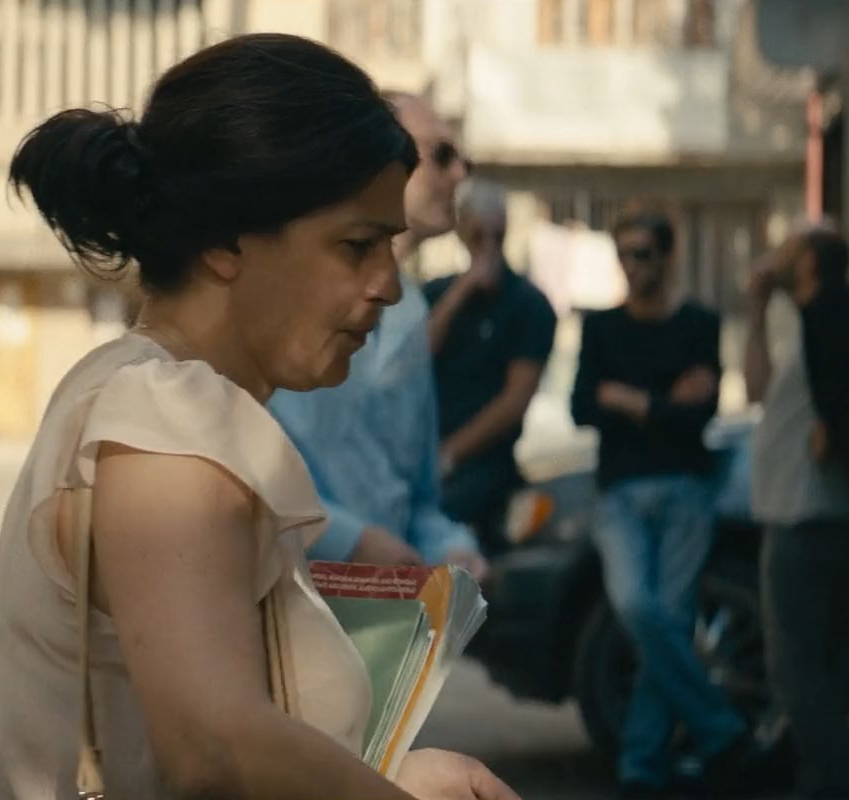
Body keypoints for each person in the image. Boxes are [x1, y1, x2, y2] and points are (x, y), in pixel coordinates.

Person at [0, 34, 517, 800]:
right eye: (358, 246)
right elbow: (214, 744)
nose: (388, 286)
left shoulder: (148, 394)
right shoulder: (165, 419)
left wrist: (398, 776)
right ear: (226, 242)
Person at [571, 212, 759, 799]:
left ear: (667, 256)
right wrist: (661, 402)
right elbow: (581, 406)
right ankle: (721, 729)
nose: (632, 266)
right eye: (624, 254)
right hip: (620, 494)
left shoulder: (699, 325)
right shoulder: (602, 327)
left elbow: (698, 415)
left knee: (670, 623)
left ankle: (641, 770)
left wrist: (627, 398)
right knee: (636, 606)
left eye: (643, 254)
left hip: (685, 490)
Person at [266, 91, 489, 580]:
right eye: (441, 155)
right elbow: (238, 478)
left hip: (384, 607)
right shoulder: (279, 296)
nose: (460, 175)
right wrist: (352, 539)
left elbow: (416, 497)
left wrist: (452, 548)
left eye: (464, 160)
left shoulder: (410, 311)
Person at [742, 222, 849, 800]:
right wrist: (756, 310)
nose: (778, 255)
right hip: (793, 511)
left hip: (809, 514)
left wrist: (836, 429)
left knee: (797, 665)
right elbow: (756, 389)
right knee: (810, 662)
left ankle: (828, 785)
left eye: (791, 249)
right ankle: (823, 779)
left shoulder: (834, 317)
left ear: (811, 262)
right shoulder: (804, 322)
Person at [424, 179, 557, 554]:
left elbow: (515, 401)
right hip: (427, 454)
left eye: (496, 236)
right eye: (478, 235)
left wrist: (449, 454)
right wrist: (462, 291)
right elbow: (413, 359)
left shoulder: (528, 304)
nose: (488, 246)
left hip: (484, 464)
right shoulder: (437, 294)